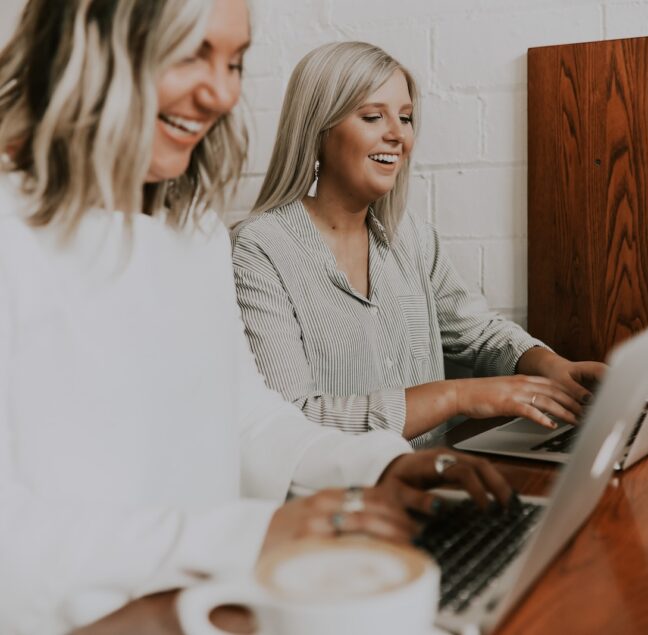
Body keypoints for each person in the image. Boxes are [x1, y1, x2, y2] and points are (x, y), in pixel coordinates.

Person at [0, 4, 510, 633]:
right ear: (91, 41)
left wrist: (375, 466)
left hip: (208, 606)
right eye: (191, 52)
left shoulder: (192, 233)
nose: (220, 92)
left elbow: (249, 417)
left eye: (235, 62)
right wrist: (249, 535)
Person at [230, 41, 605, 441]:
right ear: (317, 130)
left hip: (436, 483)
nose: (398, 135)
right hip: (343, 496)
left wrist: (551, 366)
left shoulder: (411, 238)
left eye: (406, 118)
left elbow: (476, 332)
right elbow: (292, 421)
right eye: (373, 116)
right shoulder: (258, 250)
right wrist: (456, 396)